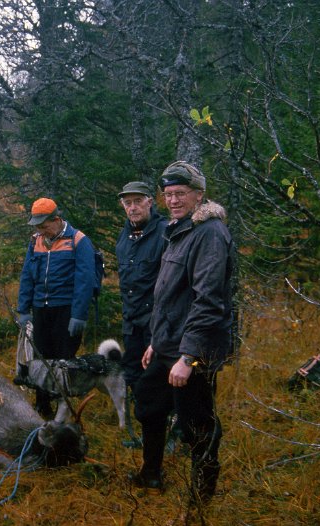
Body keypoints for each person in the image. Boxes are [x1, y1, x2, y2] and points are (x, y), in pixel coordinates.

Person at [131, 161, 234, 510]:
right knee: (148, 402)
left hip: (193, 348)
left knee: (197, 422)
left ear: (199, 195)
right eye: (168, 194)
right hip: (167, 344)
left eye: (181, 194)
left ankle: (201, 499)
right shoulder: (178, 229)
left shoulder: (210, 233)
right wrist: (154, 342)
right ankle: (151, 473)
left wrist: (189, 357)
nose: (173, 200)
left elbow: (209, 301)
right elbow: (169, 296)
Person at [16, 197, 96, 417]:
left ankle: (63, 405)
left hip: (66, 311)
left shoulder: (79, 241)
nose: (42, 231)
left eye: (45, 226)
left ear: (57, 219)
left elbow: (85, 281)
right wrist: (23, 309)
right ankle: (43, 405)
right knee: (41, 359)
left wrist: (78, 315)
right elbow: (27, 277)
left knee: (63, 360)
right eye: (38, 227)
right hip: (41, 310)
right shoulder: (36, 242)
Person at [115, 181, 168, 389]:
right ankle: (136, 419)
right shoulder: (125, 236)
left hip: (156, 324)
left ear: (150, 202)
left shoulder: (165, 232)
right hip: (131, 322)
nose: (133, 207)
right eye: (128, 203)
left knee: (156, 377)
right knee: (132, 375)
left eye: (138, 201)